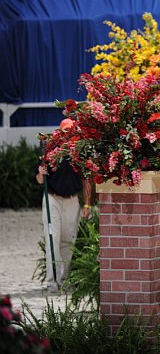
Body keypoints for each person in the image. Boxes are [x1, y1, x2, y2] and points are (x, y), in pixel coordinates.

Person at [36, 119, 94, 292]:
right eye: (65, 132)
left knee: (69, 240)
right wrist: (40, 172)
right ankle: (52, 280)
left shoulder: (81, 153)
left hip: (72, 200)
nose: (68, 135)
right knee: (52, 238)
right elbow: (39, 180)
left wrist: (87, 204)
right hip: (52, 198)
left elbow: (87, 180)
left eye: (71, 132)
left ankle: (65, 278)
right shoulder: (50, 151)